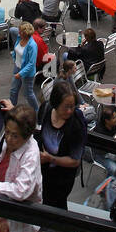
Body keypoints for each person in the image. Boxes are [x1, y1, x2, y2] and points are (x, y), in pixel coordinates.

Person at [36, 80, 88, 209]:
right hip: (42, 173)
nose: (70, 111)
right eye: (66, 106)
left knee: (57, 206)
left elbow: (75, 160)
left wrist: (50, 159)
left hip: (62, 180)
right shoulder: (45, 109)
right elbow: (38, 132)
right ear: (55, 103)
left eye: (72, 106)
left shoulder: (75, 124)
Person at [9, 21, 39, 110]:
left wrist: (20, 74)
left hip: (27, 74)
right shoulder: (19, 38)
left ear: (24, 33)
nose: (18, 32)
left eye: (20, 31)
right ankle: (11, 109)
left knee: (28, 94)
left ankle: (36, 111)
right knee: (13, 91)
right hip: (17, 67)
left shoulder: (32, 46)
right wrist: (15, 58)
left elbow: (31, 64)